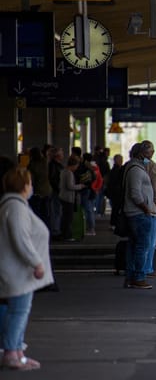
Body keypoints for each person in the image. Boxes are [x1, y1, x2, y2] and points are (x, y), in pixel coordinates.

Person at [0, 167, 54, 371]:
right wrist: (36, 262)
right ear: (24, 185)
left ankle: (17, 352)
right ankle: (12, 353)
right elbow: (21, 239)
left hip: (15, 270)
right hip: (18, 272)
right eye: (30, 183)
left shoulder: (11, 205)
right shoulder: (16, 208)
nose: (31, 187)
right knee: (19, 311)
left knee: (15, 311)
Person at [123, 144, 156, 289]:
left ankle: (131, 276)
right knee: (142, 246)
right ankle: (139, 277)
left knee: (134, 245)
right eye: (149, 153)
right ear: (141, 154)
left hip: (136, 213)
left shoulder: (134, 168)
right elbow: (135, 193)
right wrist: (146, 209)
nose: (150, 156)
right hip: (139, 214)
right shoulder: (136, 170)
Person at [141, 141, 156, 278]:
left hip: (138, 205)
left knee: (140, 240)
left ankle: (140, 267)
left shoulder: (134, 164)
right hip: (152, 206)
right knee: (151, 239)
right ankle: (147, 268)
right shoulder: (153, 166)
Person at [58, 156, 85, 242]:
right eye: (77, 165)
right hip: (68, 197)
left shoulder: (63, 171)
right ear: (73, 164)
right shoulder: (69, 173)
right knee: (68, 218)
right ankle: (67, 236)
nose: (77, 167)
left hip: (62, 196)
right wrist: (80, 186)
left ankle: (63, 234)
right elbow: (70, 186)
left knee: (64, 217)